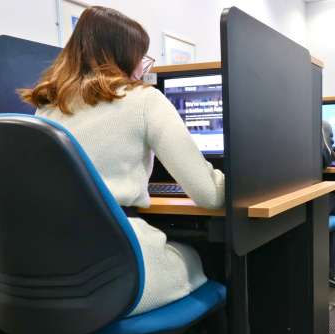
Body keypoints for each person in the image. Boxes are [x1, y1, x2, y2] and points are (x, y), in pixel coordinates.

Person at [19, 6, 224, 316]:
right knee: (201, 257)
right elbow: (209, 195)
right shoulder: (144, 99)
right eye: (141, 58)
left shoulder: (46, 107)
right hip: (117, 274)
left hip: (48, 272)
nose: (143, 68)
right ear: (125, 58)